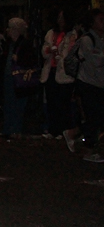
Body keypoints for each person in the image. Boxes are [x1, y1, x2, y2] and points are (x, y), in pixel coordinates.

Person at [65, 9, 104, 162]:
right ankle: (88, 150)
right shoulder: (87, 40)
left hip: (100, 83)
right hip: (88, 83)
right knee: (93, 117)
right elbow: (94, 61)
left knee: (97, 117)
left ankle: (73, 133)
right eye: (101, 19)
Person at [40, 9, 75, 138]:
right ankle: (53, 129)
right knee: (51, 101)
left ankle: (62, 130)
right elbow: (44, 50)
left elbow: (69, 53)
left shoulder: (72, 34)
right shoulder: (51, 33)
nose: (60, 21)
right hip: (51, 70)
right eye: (58, 18)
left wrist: (59, 56)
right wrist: (49, 50)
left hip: (63, 73)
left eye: (62, 18)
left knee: (63, 103)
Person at [0, 18, 38, 139]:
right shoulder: (9, 44)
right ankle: (8, 128)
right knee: (8, 104)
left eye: (10, 28)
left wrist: (19, 59)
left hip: (19, 78)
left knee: (18, 105)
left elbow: (31, 61)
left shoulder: (25, 44)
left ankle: (15, 129)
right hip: (9, 76)